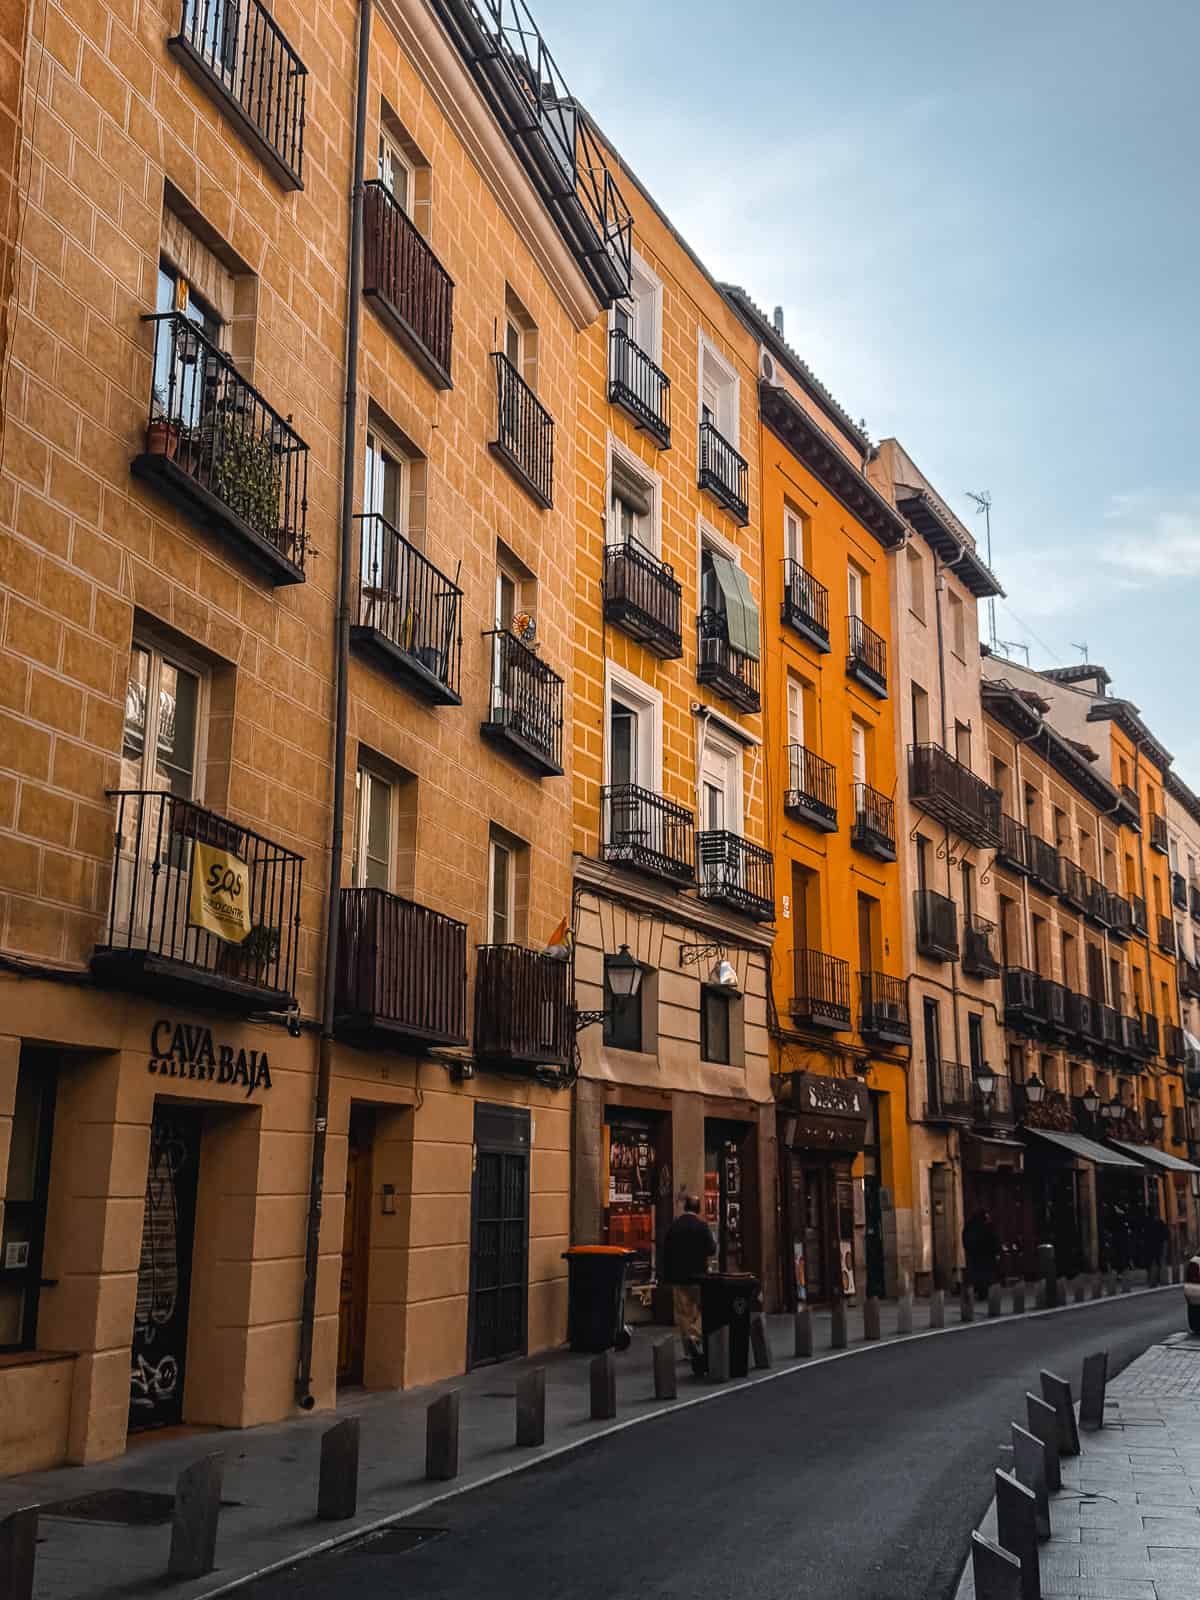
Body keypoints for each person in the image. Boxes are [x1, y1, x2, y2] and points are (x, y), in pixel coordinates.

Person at [661, 1194, 716, 1368]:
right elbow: (712, 1249)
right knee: (705, 1309)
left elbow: (666, 1252)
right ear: (698, 1209)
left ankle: (688, 1350)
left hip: (678, 1278)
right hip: (699, 1277)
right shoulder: (702, 1226)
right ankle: (695, 1335)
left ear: (685, 1208)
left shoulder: (674, 1226)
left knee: (683, 1314)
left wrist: (666, 1275)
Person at [962, 1207, 1000, 1301]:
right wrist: (996, 1251)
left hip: (975, 1256)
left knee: (977, 1276)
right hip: (985, 1256)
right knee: (985, 1276)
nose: (988, 1218)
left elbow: (965, 1240)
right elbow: (993, 1240)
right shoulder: (985, 1227)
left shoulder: (969, 1226)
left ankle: (979, 1292)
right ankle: (983, 1293)